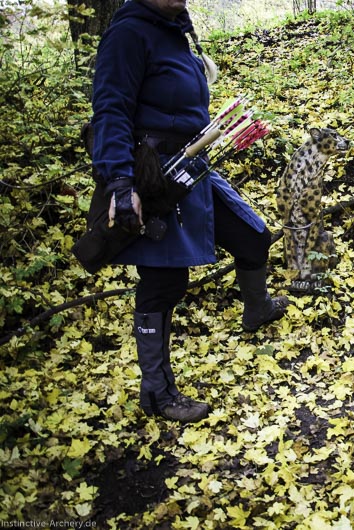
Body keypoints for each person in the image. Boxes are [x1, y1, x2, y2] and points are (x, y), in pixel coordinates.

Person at [90, 0, 289, 423]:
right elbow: (110, 109)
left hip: (189, 166)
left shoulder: (173, 28)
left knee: (252, 235)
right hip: (151, 175)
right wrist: (120, 183)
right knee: (164, 283)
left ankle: (257, 309)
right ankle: (158, 394)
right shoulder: (128, 33)